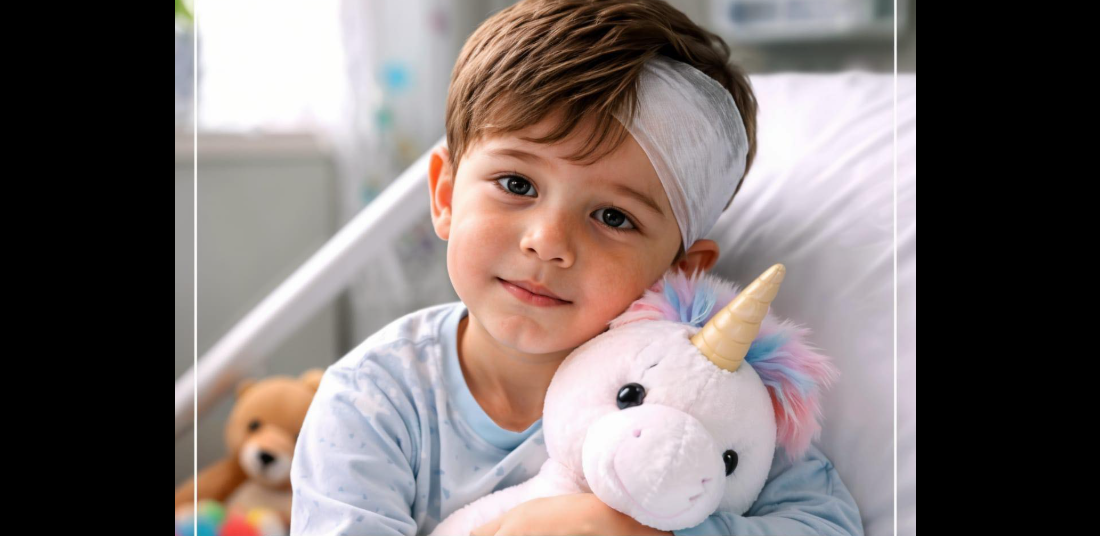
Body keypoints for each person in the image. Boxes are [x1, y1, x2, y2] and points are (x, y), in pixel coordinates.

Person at [290, 1, 863, 535]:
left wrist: (629, 530)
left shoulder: (701, 396)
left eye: (613, 216)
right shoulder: (372, 400)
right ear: (445, 195)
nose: (547, 242)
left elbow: (826, 524)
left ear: (679, 271)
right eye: (517, 184)